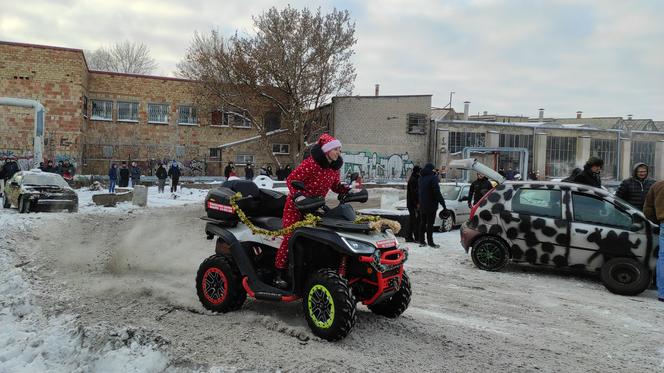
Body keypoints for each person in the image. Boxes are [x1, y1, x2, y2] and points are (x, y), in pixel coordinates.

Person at [273, 133, 350, 288]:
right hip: (296, 207)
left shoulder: (334, 168)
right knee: (290, 237)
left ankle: (317, 270)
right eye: (336, 149)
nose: (338, 153)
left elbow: (335, 186)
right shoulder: (311, 164)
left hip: (316, 207)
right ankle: (278, 273)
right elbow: (291, 180)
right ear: (327, 150)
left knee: (322, 237)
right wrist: (298, 196)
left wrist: (347, 188)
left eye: (339, 150)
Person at [643, 180, 664, 302]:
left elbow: (647, 208)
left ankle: (662, 293)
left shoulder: (658, 185)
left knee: (662, 258)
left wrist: (658, 221)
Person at [418, 163, 447, 248]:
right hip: (431, 205)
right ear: (431, 169)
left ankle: (422, 241)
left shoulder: (421, 178)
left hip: (422, 204)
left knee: (422, 223)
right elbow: (436, 192)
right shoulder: (433, 178)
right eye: (434, 169)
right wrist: (443, 203)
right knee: (430, 224)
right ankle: (430, 242)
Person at [405, 165, 422, 243]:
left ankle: (409, 237)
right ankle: (416, 238)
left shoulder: (414, 178)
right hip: (413, 204)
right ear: (417, 171)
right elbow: (414, 193)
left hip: (411, 203)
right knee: (415, 221)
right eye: (419, 171)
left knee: (412, 221)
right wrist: (417, 203)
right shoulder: (414, 179)